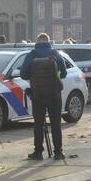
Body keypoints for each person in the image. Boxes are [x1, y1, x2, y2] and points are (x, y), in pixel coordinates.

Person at [19, 33, 67, 161]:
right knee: (56, 123)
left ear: (37, 42)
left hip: (38, 94)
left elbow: (23, 74)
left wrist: (34, 76)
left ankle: (38, 152)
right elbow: (64, 73)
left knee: (38, 124)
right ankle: (58, 152)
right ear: (48, 41)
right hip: (54, 94)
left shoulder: (32, 54)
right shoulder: (55, 54)